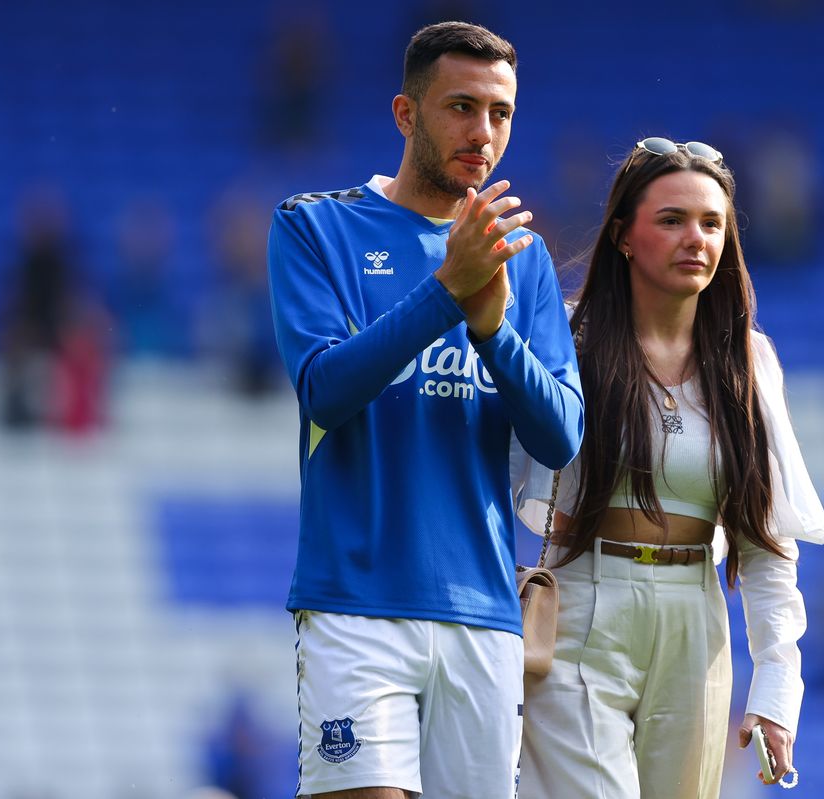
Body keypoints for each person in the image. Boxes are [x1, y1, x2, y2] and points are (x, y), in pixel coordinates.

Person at [266, 21, 583, 799]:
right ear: (406, 114)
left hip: (483, 611)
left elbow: (561, 434)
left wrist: (491, 328)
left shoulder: (525, 258)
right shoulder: (315, 227)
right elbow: (324, 391)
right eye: (461, 107)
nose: (484, 133)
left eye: (501, 113)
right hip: (357, 604)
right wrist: (447, 291)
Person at [513, 138, 824, 797]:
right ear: (624, 235)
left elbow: (767, 546)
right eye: (672, 220)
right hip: (579, 606)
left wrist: (776, 685)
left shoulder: (750, 361)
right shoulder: (564, 337)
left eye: (712, 223)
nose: (696, 238)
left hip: (697, 620)